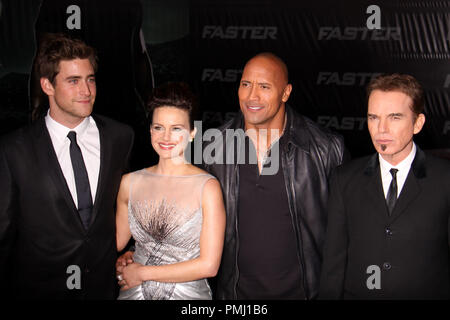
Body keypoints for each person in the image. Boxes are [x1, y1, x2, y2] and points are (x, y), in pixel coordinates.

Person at [202, 52, 347, 299]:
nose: (252, 96)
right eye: (245, 84)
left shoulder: (325, 149)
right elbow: (189, 219)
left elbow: (347, 232)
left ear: (286, 92)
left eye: (264, 87)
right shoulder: (213, 148)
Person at [0, 33, 134, 299]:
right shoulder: (13, 149)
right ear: (47, 86)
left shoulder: (121, 137)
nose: (86, 91)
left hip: (102, 288)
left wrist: (129, 250)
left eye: (90, 79)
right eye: (73, 81)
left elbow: (126, 203)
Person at [319, 73, 450, 299]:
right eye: (373, 117)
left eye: (395, 117)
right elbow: (334, 262)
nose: (381, 129)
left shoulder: (445, 179)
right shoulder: (345, 179)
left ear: (417, 123)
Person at [115, 82, 226, 300]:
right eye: (158, 127)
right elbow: (114, 242)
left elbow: (209, 265)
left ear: (192, 133)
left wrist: (143, 273)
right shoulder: (129, 183)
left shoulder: (207, 187)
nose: (166, 137)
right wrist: (123, 259)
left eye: (176, 128)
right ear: (150, 130)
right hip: (133, 293)